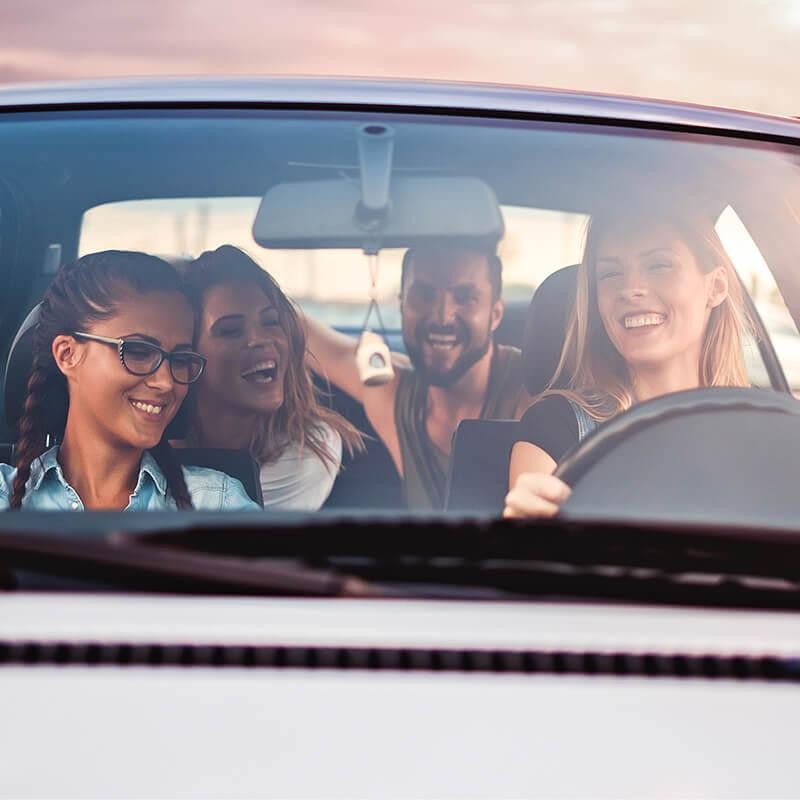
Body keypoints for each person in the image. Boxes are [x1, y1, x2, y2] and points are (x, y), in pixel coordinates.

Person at [503, 201, 753, 519]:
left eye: (659, 266)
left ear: (715, 287)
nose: (631, 289)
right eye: (610, 273)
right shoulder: (556, 427)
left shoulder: (766, 424)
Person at [0, 251, 259, 511]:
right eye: (138, 351)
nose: (166, 382)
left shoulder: (218, 503)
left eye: (179, 359)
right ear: (68, 355)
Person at [304, 245, 531, 510]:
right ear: (402, 305)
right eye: (424, 295)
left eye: (465, 297)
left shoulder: (533, 392)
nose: (442, 316)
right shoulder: (390, 393)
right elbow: (300, 329)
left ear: (495, 315)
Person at [178, 246, 362, 510]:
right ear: (187, 354)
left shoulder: (306, 452)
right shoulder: (146, 445)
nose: (259, 340)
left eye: (271, 321)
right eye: (230, 330)